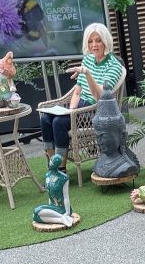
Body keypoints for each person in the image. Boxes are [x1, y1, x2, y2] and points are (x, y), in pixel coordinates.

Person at [40, 22, 125, 166]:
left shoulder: (114, 65)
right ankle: (53, 166)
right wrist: (71, 110)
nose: (94, 45)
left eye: (98, 40)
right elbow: (78, 91)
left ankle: (61, 169)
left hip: (96, 111)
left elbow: (99, 97)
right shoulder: (88, 59)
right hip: (79, 108)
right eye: (90, 41)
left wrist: (88, 74)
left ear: (106, 41)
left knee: (58, 122)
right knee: (45, 119)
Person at [33, 154, 75, 227]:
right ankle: (61, 219)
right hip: (53, 207)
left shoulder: (63, 178)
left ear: (57, 164)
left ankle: (63, 216)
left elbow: (66, 197)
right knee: (35, 216)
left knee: (36, 210)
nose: (50, 163)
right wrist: (49, 209)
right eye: (51, 161)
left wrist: (67, 212)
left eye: (52, 162)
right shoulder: (47, 175)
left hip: (63, 209)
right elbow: (50, 194)